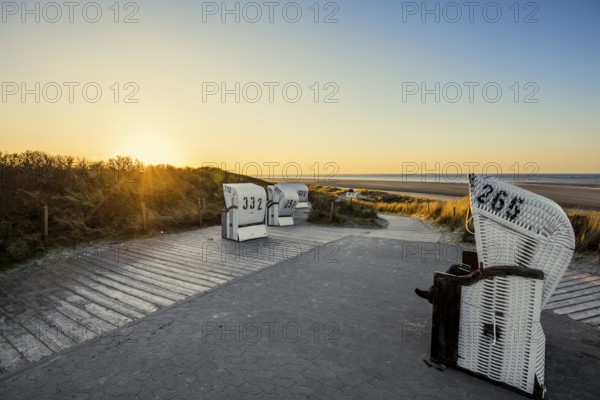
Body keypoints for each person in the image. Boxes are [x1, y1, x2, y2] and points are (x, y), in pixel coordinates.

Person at [414, 263, 479, 303]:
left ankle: (430, 294)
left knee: (452, 269)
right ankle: (430, 294)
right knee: (449, 273)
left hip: (468, 278)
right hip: (467, 279)